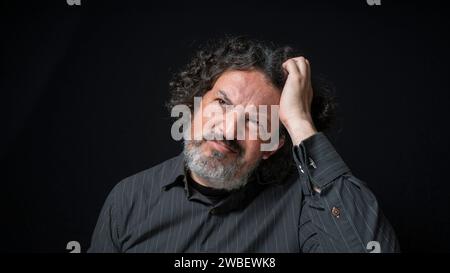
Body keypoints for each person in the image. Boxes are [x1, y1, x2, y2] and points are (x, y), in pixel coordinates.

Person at [88, 36, 399, 253]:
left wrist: (301, 123)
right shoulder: (128, 199)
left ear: (273, 145)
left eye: (255, 121)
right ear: (195, 104)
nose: (227, 129)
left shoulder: (306, 207)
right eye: (222, 102)